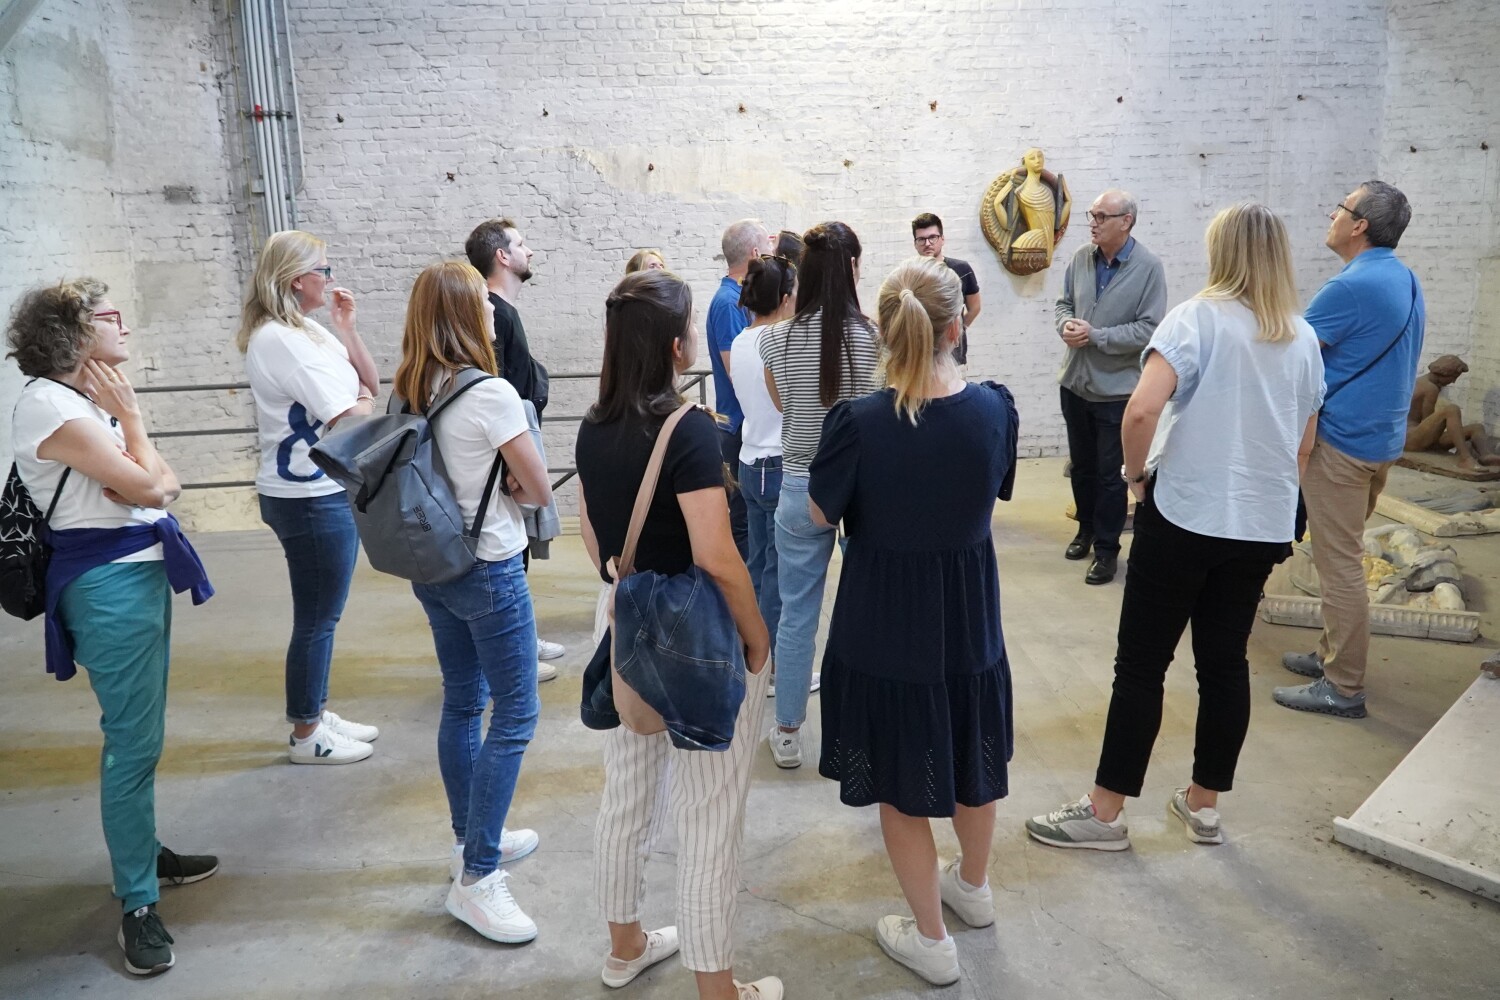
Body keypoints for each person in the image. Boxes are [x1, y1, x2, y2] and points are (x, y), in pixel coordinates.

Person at [1025, 203, 1324, 852]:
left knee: (1141, 665)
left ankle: (1104, 815)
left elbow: (1141, 410)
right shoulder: (1300, 337)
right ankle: (1205, 805)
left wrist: (1136, 479)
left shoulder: (1197, 319)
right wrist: (1274, 497)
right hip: (1260, 523)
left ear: (1224, 253)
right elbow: (1305, 443)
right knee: (1225, 663)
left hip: (1186, 515)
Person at [810, 257, 1017, 986]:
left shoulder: (859, 425)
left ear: (885, 333)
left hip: (885, 624)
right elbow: (993, 488)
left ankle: (932, 940)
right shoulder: (995, 408)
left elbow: (819, 512)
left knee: (904, 785)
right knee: (972, 755)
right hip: (968, 620)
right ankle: (974, 889)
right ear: (958, 327)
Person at [575, 270, 781, 1000]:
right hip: (698, 634)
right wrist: (758, 639)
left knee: (626, 794)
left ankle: (624, 945)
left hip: (626, 616)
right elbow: (718, 556)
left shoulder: (592, 425)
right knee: (709, 815)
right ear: (673, 344)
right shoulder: (687, 429)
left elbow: (593, 537)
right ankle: (719, 990)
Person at [8, 279, 217, 976]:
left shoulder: (78, 401)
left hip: (136, 570)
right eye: (106, 319)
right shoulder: (50, 405)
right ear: (73, 337)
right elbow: (151, 487)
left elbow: (165, 484)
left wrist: (138, 458)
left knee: (143, 734)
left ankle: (143, 851)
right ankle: (137, 903)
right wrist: (135, 428)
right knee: (132, 743)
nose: (120, 327)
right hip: (108, 587)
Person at [393, 261, 553, 945]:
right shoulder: (490, 395)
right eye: (484, 307)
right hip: (488, 566)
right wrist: (514, 490)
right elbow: (540, 488)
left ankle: (470, 840)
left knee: (464, 701)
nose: (495, 313)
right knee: (516, 711)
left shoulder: (413, 385)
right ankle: (478, 877)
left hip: (433, 566)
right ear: (466, 317)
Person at [1275, 181, 1425, 719]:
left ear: (1359, 225)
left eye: (1340, 207)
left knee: (1339, 566)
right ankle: (1330, 655)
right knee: (1343, 555)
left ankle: (1343, 687)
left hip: (1341, 444)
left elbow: (1294, 359)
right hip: (1382, 441)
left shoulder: (1350, 287)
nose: (1331, 213)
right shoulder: (1404, 278)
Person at [239, 231, 381, 764]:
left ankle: (314, 709)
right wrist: (362, 401)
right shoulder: (280, 339)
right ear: (297, 280)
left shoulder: (309, 330)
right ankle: (306, 733)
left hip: (320, 488)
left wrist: (347, 329)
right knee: (318, 618)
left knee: (323, 614)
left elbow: (369, 385)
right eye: (323, 268)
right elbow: (348, 417)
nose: (330, 276)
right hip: (307, 494)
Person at [759, 221, 883, 768]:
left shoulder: (774, 339)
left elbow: (786, 407)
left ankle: (787, 732)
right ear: (853, 269)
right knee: (870, 613)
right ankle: (868, 724)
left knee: (796, 614)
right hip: (864, 493)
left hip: (799, 484)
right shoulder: (874, 338)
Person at [465, 218, 566, 677]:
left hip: (517, 444)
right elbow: (498, 388)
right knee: (509, 551)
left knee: (519, 549)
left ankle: (521, 635)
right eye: (521, 244)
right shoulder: (494, 312)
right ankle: (514, 650)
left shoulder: (504, 311)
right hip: (504, 457)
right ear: (502, 257)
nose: (530, 251)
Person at [1054, 189, 1168, 585]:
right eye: (1092, 215)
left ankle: (1106, 550)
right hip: (1075, 383)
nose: (1094, 222)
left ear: (1127, 221)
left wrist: (1097, 336)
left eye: (1102, 216)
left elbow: (1150, 329)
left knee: (1109, 475)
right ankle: (1085, 530)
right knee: (1081, 469)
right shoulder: (1081, 258)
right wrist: (1064, 326)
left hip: (1115, 392)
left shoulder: (1148, 267)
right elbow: (1063, 304)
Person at [730, 254, 796, 693]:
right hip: (776, 462)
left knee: (755, 568)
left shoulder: (740, 340)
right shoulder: (781, 339)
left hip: (749, 460)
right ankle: (770, 667)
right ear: (787, 297)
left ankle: (751, 654)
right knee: (776, 575)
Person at [707, 218, 776, 559]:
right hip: (736, 427)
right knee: (743, 527)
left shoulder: (739, 299)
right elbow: (741, 373)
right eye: (768, 248)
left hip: (745, 426)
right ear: (753, 253)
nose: (772, 254)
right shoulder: (728, 303)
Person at [910, 213, 981, 364]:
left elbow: (975, 307)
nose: (927, 243)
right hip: (919, 357)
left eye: (933, 237)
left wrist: (959, 329)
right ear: (915, 243)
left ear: (942, 239)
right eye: (921, 239)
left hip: (953, 356)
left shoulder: (962, 269)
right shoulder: (909, 274)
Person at [1403, 356, 1498, 467]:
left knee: (1476, 427)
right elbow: (1428, 423)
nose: (1453, 381)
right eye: (1453, 377)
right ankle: (1465, 458)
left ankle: (1486, 456)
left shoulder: (1422, 382)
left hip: (1418, 436)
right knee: (1451, 410)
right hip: (1410, 440)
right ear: (1443, 374)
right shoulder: (1430, 388)